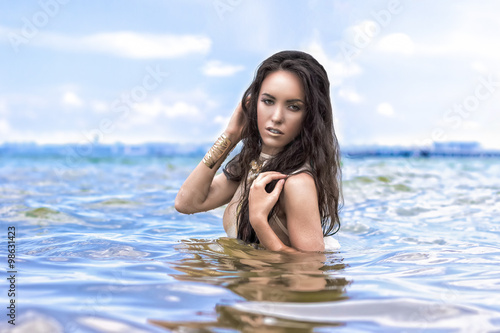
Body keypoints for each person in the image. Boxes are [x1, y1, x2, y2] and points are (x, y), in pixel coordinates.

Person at [175, 50, 342, 252]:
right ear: (253, 103)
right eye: (268, 101)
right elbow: (186, 203)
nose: (277, 116)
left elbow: (310, 270)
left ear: (310, 116)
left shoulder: (297, 183)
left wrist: (259, 220)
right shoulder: (251, 166)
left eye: (293, 107)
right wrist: (230, 135)